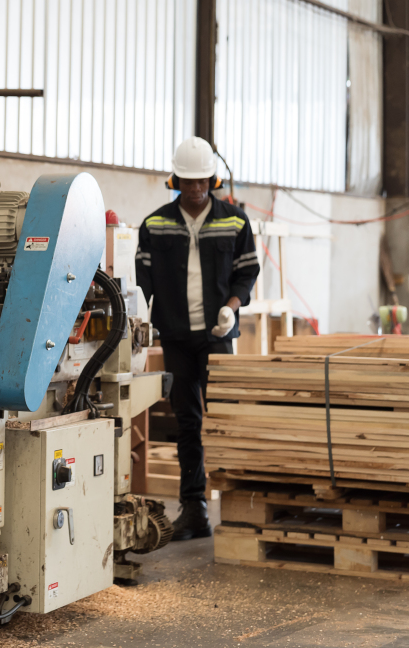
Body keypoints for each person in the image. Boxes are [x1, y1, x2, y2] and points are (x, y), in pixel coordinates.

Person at [135, 136, 259, 540]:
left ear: (213, 180)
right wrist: (141, 320)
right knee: (187, 422)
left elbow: (247, 272)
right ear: (176, 181)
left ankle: (240, 508)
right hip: (176, 337)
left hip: (217, 335)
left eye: (202, 181)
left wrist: (232, 307)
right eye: (188, 182)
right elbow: (142, 282)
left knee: (225, 419)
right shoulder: (154, 225)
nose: (195, 189)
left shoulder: (235, 222)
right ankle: (194, 509)